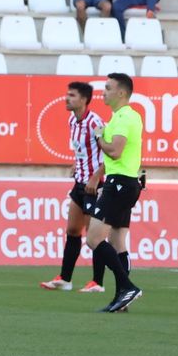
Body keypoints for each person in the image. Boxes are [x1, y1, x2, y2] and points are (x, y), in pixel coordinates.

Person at [39, 81, 110, 293]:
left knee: (93, 236)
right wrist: (76, 164)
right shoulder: (73, 120)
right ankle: (65, 279)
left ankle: (97, 282)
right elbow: (83, 148)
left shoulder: (95, 123)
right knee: (72, 230)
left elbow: (111, 154)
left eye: (71, 95)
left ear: (83, 99)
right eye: (66, 94)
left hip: (94, 186)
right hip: (79, 182)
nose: (66, 98)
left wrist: (96, 177)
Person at [86, 73, 145, 313]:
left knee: (93, 239)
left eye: (108, 88)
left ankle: (126, 287)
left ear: (121, 93)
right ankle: (123, 298)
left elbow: (116, 151)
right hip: (127, 182)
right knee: (117, 241)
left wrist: (100, 137)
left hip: (119, 184)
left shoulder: (123, 118)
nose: (104, 92)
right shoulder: (126, 116)